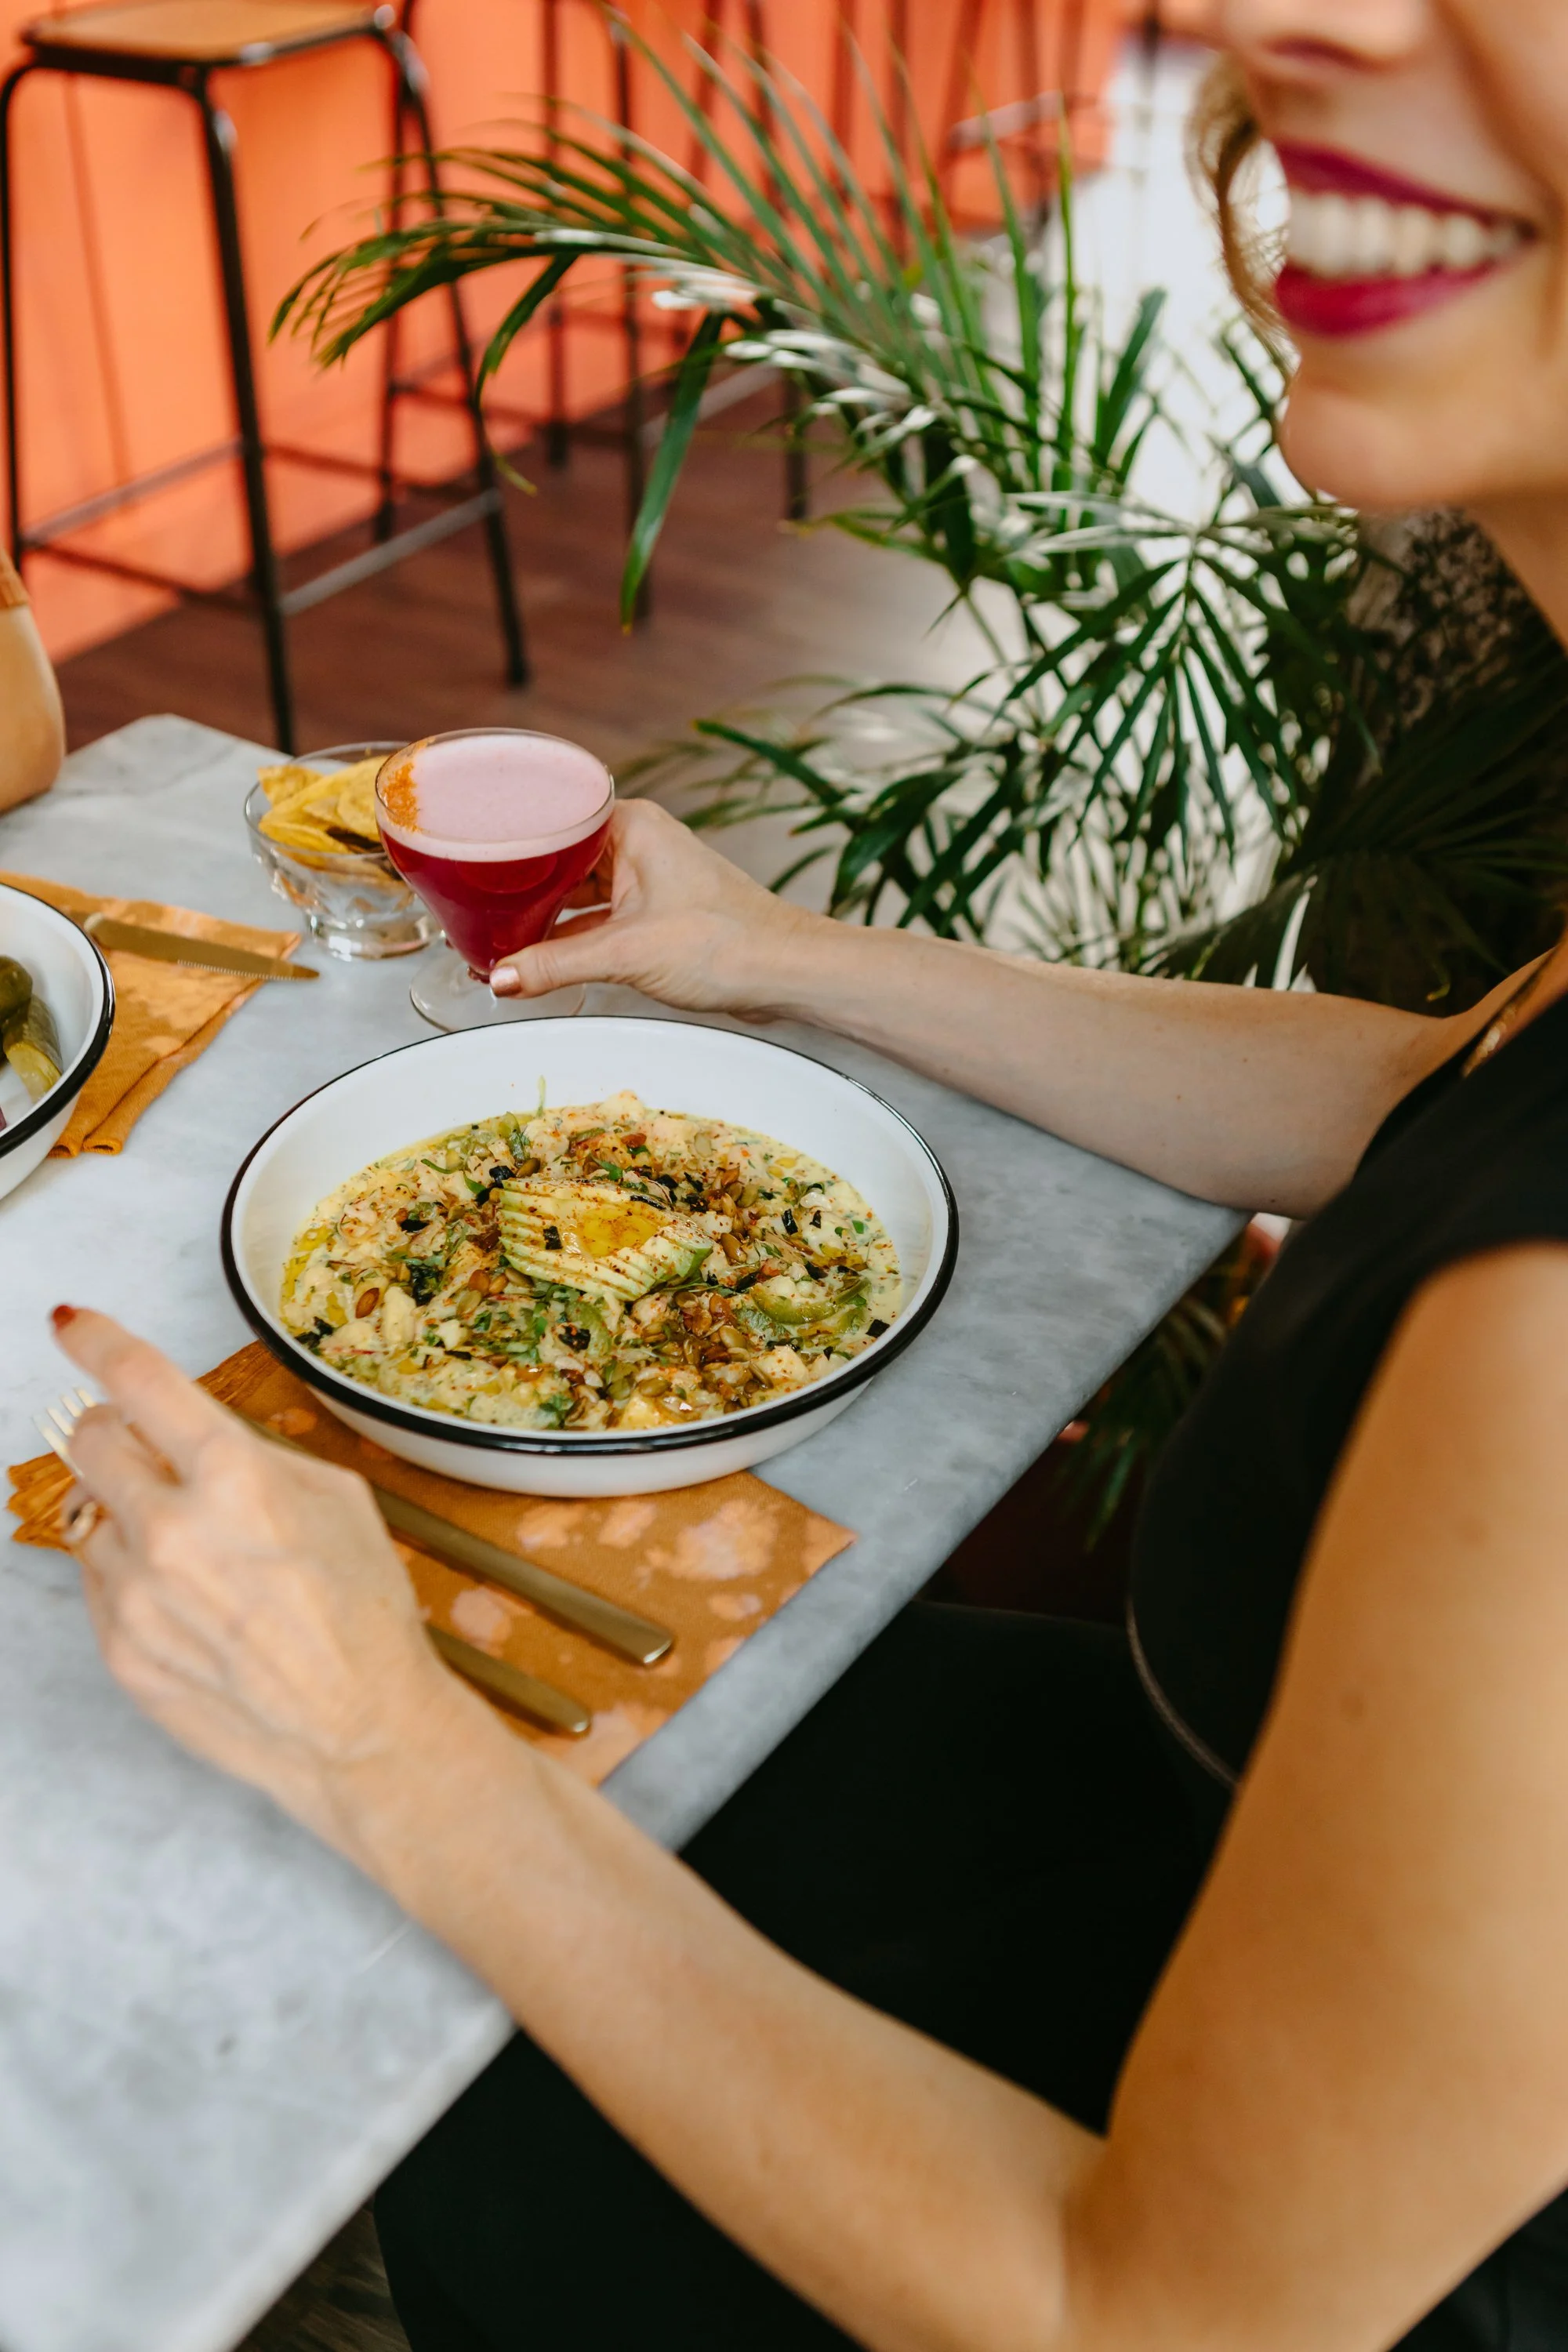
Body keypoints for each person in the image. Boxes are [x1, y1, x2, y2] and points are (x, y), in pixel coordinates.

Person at [49, 5, 1568, 2345]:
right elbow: (1440, 1096)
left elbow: (1151, 2317)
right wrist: (782, 956)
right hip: (1202, 1834)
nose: (1307, 19)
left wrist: (392, 1747)